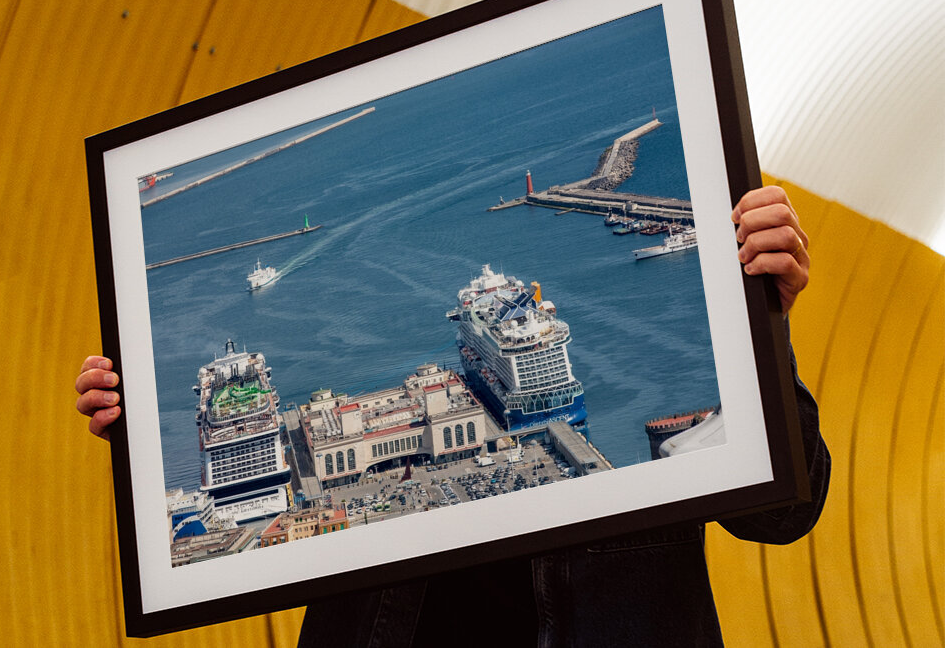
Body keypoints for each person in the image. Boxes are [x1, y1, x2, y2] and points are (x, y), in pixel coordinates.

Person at [76, 186, 829, 647]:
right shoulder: (399, 422)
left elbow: (787, 513)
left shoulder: (714, 343)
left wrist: (763, 326)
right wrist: (142, 434)